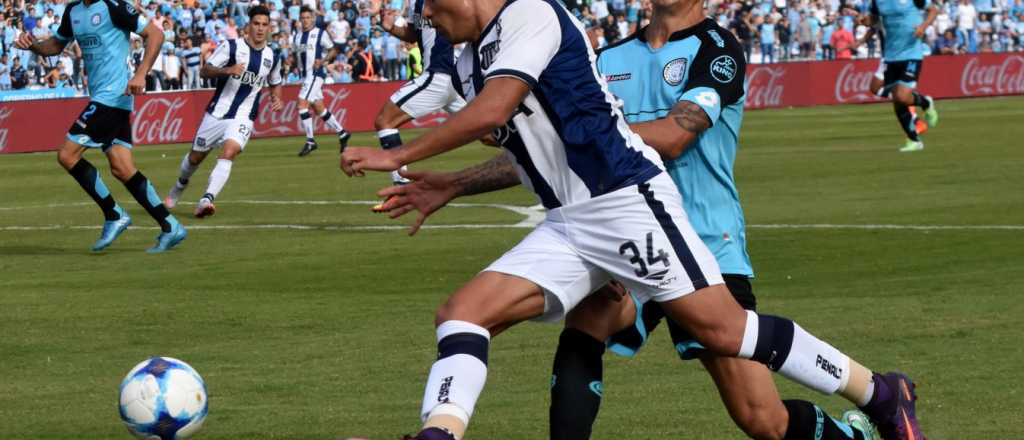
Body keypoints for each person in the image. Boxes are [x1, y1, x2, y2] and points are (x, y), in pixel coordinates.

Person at [342, 1, 926, 439]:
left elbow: (501, 112)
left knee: (731, 346)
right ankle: (437, 434)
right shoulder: (477, 55)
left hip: (628, 204)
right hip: (570, 220)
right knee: (464, 314)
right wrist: (449, 184)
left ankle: (879, 392)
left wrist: (397, 155)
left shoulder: (532, 14)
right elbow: (533, 142)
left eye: (429, 6)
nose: (425, 18)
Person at [15, 0, 186, 253]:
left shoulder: (114, 6)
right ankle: (170, 225)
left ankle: (114, 214)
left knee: (67, 154)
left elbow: (156, 34)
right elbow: (56, 44)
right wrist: (35, 47)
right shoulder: (73, 10)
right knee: (122, 168)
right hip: (104, 96)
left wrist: (141, 74)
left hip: (113, 96)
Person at [164, 6, 283, 219]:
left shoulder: (272, 55)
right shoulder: (231, 47)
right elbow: (204, 70)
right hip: (217, 113)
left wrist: (277, 97)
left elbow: (275, 81)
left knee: (230, 152)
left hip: (244, 116)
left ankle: (206, 200)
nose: (260, 28)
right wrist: (227, 70)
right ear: (248, 25)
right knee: (194, 158)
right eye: (256, 23)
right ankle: (180, 184)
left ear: (269, 28)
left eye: (264, 25)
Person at [372, 2, 463, 186]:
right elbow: (414, 34)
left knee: (385, 121)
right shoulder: (417, 3)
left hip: (438, 75)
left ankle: (402, 185)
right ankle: (531, 157)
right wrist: (391, 28)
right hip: (452, 77)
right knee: (489, 135)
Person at [865, 0, 939, 152]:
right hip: (891, 55)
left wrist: (923, 27)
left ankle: (925, 103)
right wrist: (865, 20)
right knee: (897, 101)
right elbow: (874, 19)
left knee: (902, 96)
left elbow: (933, 10)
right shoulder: (877, 2)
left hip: (912, 52)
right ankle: (914, 140)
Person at [293, 6, 351, 157]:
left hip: (315, 74)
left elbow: (333, 49)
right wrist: (291, 62)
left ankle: (310, 141)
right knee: (319, 108)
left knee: (301, 104)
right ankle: (343, 133)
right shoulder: (297, 36)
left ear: (312, 18)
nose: (305, 20)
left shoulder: (320, 33)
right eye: (303, 18)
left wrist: (323, 60)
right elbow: (297, 55)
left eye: (307, 17)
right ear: (300, 19)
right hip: (305, 76)